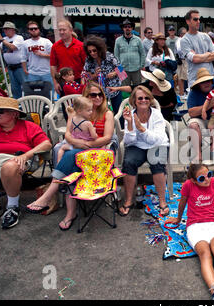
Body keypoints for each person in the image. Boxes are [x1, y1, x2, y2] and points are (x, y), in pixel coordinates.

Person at [26, 81, 115, 231]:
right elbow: (67, 134)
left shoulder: (107, 113)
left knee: (69, 154)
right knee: (70, 162)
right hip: (80, 151)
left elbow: (107, 137)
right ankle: (69, 212)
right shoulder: (76, 113)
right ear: (86, 97)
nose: (98, 98)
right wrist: (77, 142)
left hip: (97, 152)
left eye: (100, 94)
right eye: (93, 95)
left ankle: (51, 198)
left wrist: (84, 145)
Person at [165, 163, 214, 300]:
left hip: (213, 222)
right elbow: (182, 203)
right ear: (194, 180)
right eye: (202, 178)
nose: (207, 179)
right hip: (194, 226)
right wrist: (178, 219)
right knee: (205, 253)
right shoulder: (188, 185)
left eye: (209, 174)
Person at [0, 97, 52, 229]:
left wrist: (27, 155)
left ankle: (12, 206)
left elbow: (46, 144)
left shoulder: (28, 126)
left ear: (14, 114)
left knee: (10, 166)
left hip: (18, 159)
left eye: (0, 111)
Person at [120, 85, 169, 216]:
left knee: (157, 161)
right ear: (134, 101)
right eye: (140, 98)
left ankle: (162, 201)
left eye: (147, 97)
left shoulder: (157, 114)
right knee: (129, 162)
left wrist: (141, 129)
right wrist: (130, 124)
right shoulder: (130, 114)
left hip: (156, 144)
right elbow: (129, 142)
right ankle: (129, 199)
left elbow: (157, 140)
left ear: (150, 99)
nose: (143, 100)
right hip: (137, 146)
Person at [108, 68, 177, 122]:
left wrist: (158, 107)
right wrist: (117, 88)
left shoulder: (169, 91)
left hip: (163, 112)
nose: (150, 80)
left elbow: (172, 103)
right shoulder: (148, 85)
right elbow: (132, 88)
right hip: (146, 111)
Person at [83, 35, 123, 116]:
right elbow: (86, 75)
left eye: (94, 50)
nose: (92, 53)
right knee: (102, 114)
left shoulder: (109, 56)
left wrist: (114, 73)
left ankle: (120, 127)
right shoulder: (88, 60)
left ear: (99, 48)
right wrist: (94, 75)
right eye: (90, 51)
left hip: (114, 89)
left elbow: (122, 70)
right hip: (99, 93)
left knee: (118, 112)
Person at [180, 9, 214, 88]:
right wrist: (207, 54)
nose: (198, 21)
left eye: (199, 19)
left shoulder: (205, 36)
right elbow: (194, 59)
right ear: (188, 21)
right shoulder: (184, 40)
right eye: (195, 19)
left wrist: (199, 56)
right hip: (195, 80)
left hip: (210, 78)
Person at [50, 20, 86, 97]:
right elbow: (53, 66)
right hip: (63, 81)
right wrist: (55, 82)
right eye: (60, 30)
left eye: (64, 30)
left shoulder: (80, 45)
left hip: (78, 81)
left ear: (70, 30)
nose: (62, 32)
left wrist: (83, 82)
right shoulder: (55, 46)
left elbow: (85, 65)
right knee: (65, 106)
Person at [57, 96, 98, 163]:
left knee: (62, 148)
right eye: (88, 110)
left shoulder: (73, 120)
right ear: (79, 111)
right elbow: (94, 137)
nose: (91, 112)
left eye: (91, 110)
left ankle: (59, 162)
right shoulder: (88, 123)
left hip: (74, 144)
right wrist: (94, 131)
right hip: (85, 145)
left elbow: (70, 131)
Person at [21, 21, 54, 93]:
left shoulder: (46, 41)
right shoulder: (25, 43)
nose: (33, 30)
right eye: (31, 29)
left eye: (35, 28)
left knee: (49, 94)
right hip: (32, 73)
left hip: (46, 72)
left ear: (38, 29)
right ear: (28, 31)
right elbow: (23, 57)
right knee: (34, 95)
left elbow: (54, 56)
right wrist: (25, 69)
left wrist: (42, 55)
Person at [0, 21, 25, 99]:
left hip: (20, 66)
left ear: (13, 30)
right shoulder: (4, 39)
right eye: (4, 29)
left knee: (25, 86)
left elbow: (13, 47)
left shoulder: (18, 38)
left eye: (7, 29)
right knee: (14, 88)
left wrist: (2, 40)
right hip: (10, 67)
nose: (5, 31)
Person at [114, 19, 145, 87]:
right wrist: (119, 69)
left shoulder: (138, 40)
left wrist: (142, 66)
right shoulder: (118, 40)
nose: (127, 28)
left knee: (138, 88)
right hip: (123, 69)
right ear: (123, 28)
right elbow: (116, 56)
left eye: (129, 27)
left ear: (132, 28)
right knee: (124, 90)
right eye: (125, 27)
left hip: (136, 69)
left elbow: (142, 53)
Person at [175, 27, 189, 100]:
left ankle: (183, 93)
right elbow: (179, 50)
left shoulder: (184, 40)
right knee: (182, 77)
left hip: (186, 60)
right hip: (183, 60)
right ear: (180, 34)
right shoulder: (179, 40)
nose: (185, 34)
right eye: (184, 33)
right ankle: (181, 93)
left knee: (184, 77)